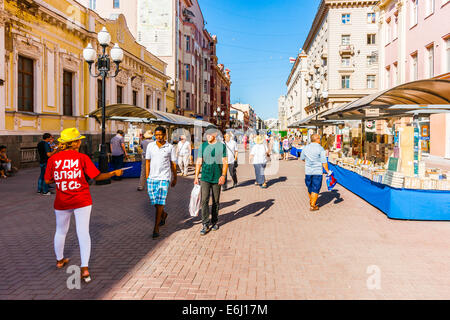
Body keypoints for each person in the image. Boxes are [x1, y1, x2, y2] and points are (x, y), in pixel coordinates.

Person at [44, 128, 123, 283]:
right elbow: (98, 176)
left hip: (62, 201)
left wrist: (61, 180)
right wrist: (114, 173)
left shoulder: (53, 159)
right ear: (74, 143)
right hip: (82, 200)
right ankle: (84, 268)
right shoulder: (82, 157)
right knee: (83, 232)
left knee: (60, 231)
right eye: (78, 140)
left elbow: (47, 181)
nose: (80, 142)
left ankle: (60, 260)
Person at [194, 125, 228, 236]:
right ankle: (205, 223)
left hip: (217, 177)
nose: (208, 136)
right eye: (206, 134)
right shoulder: (203, 146)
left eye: (210, 133)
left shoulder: (221, 146)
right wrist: (196, 176)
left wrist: (223, 175)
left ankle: (214, 221)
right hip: (205, 177)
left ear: (215, 134)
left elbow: (225, 162)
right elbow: (199, 161)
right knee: (204, 201)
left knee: (216, 201)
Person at [145, 126, 177, 239]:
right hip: (152, 178)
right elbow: (147, 162)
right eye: (156, 134)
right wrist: (147, 177)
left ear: (165, 135)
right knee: (154, 202)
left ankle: (156, 228)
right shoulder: (150, 146)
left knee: (160, 202)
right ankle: (163, 215)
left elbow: (173, 164)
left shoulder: (170, 147)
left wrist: (175, 177)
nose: (158, 137)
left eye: (160, 135)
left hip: (164, 178)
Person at [300, 134, 330, 211]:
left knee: (309, 187)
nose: (320, 140)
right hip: (317, 171)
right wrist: (327, 171)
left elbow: (302, 158)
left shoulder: (306, 148)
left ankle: (311, 201)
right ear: (317, 139)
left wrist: (308, 162)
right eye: (319, 139)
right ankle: (312, 206)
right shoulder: (320, 149)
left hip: (308, 171)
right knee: (316, 188)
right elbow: (324, 161)